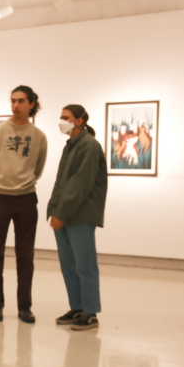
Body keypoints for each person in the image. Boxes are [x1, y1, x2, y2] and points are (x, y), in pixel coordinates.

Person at [0, 85, 47, 324]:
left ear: (31, 104)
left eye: (21, 101)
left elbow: (38, 168)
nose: (16, 105)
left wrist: (23, 185)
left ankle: (24, 306)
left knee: (25, 255)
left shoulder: (38, 136)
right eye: (13, 100)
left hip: (27, 198)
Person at [48, 105, 107, 331]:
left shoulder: (89, 146)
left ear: (79, 121)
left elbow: (80, 184)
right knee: (69, 266)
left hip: (80, 216)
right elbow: (62, 181)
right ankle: (77, 307)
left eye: (66, 118)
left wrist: (60, 213)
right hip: (64, 214)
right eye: (61, 117)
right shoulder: (71, 146)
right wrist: (54, 209)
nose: (61, 121)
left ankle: (90, 313)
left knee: (85, 266)